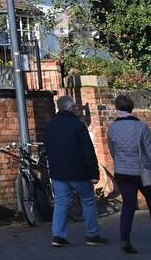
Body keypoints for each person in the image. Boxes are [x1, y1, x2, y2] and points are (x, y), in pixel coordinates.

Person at [107, 94, 151, 254]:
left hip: (122, 172)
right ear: (132, 108)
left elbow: (112, 151)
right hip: (143, 173)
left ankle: (125, 240)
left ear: (117, 109)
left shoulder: (112, 128)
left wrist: (121, 163)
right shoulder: (141, 127)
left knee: (128, 206)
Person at [43, 95, 106, 247]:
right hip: (79, 172)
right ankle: (92, 234)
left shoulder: (49, 126)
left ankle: (58, 236)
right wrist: (94, 173)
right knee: (88, 201)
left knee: (61, 203)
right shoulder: (78, 125)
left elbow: (48, 150)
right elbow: (88, 151)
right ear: (70, 108)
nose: (77, 109)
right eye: (75, 107)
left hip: (58, 173)